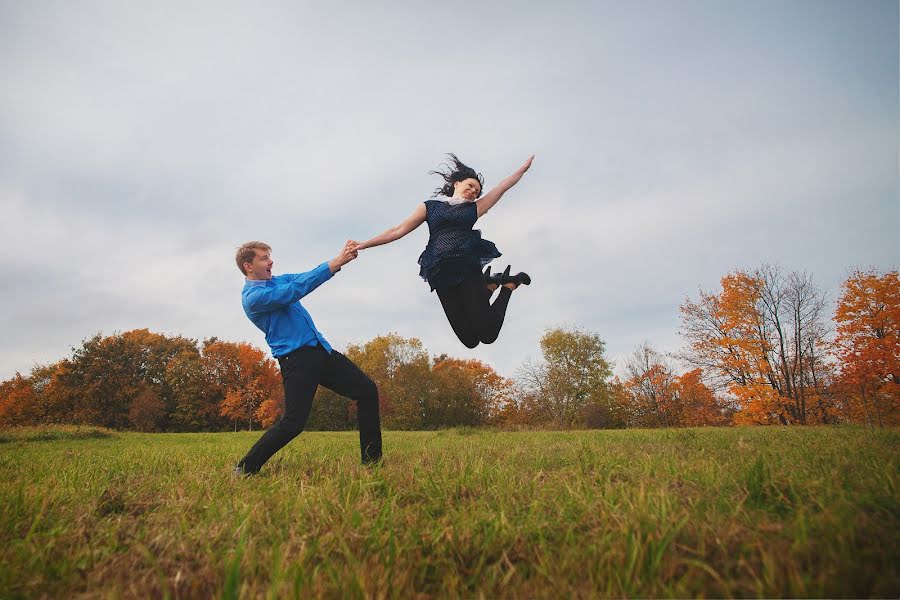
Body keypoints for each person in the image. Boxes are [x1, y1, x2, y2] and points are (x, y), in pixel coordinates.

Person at [353, 154, 534, 348]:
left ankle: (508, 285)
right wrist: (364, 244)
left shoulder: (474, 209)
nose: (474, 191)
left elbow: (502, 187)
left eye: (477, 191)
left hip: (466, 268)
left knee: (488, 335)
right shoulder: (430, 207)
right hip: (439, 273)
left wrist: (521, 170)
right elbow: (397, 230)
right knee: (470, 341)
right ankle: (488, 286)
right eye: (471, 186)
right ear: (457, 184)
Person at [233, 240, 382, 475]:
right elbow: (297, 289)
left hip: (320, 350)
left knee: (367, 390)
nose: (270, 261)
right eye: (264, 258)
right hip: (297, 359)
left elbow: (304, 277)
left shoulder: (276, 281)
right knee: (293, 422)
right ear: (248, 266)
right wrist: (337, 262)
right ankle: (245, 468)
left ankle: (372, 463)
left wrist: (337, 261)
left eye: (269, 256)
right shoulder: (254, 298)